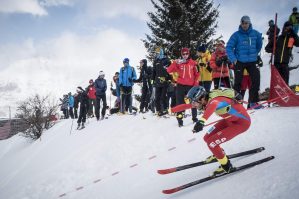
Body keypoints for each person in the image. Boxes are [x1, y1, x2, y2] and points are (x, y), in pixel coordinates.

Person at [188, 86, 250, 176]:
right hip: (230, 121)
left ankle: (226, 166)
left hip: (241, 123)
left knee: (211, 143)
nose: (194, 105)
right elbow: (185, 106)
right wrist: (171, 109)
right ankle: (220, 154)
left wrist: (201, 121)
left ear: (201, 98)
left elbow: (213, 105)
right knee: (207, 137)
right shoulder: (209, 98)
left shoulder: (214, 100)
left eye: (194, 102)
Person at [226, 15, 262, 108]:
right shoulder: (236, 35)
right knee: (238, 82)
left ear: (249, 23)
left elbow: (259, 45)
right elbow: (229, 47)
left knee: (256, 79)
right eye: (243, 23)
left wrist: (255, 54)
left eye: (246, 23)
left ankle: (253, 102)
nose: (244, 25)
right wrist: (233, 59)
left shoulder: (256, 34)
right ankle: (236, 103)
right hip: (240, 61)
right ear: (240, 24)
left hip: (252, 61)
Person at [167, 47, 199, 126]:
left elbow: (197, 74)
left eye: (186, 53)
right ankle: (180, 121)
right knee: (180, 104)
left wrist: (195, 84)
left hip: (190, 86)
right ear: (181, 54)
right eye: (183, 54)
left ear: (189, 54)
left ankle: (194, 118)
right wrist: (175, 62)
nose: (185, 55)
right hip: (180, 86)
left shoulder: (193, 63)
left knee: (193, 102)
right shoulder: (178, 63)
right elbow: (169, 70)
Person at [152, 48, 171, 116]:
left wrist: (169, 79)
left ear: (161, 52)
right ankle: (158, 110)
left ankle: (165, 110)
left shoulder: (166, 60)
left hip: (165, 81)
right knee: (157, 97)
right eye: (155, 53)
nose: (156, 54)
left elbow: (170, 71)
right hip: (157, 82)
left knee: (163, 97)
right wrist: (152, 80)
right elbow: (154, 72)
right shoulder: (155, 61)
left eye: (157, 53)